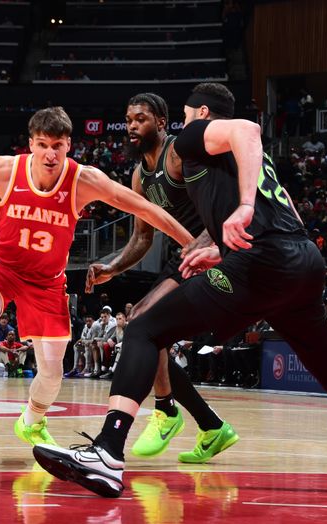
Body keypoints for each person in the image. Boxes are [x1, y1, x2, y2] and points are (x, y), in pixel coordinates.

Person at [32, 83, 327, 498]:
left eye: (183, 115)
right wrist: (218, 246)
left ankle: (108, 452)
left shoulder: (198, 136)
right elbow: (275, 213)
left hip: (260, 268)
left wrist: (246, 208)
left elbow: (247, 131)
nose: (181, 124)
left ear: (200, 114)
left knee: (144, 328)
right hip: (301, 264)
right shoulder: (250, 163)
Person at [0, 106, 193, 447]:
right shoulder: (5, 169)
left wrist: (193, 244)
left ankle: (32, 422)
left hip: (46, 281)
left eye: (58, 145)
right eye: (42, 144)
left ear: (69, 145)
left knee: (53, 370)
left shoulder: (85, 180)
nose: (50, 154)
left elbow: (146, 209)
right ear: (31, 144)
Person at [86, 92, 238, 460]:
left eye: (140, 118)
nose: (132, 125)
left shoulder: (178, 153)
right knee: (148, 333)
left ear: (161, 121)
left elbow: (224, 204)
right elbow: (142, 236)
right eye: (128, 119)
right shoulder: (140, 174)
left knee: (143, 325)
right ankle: (210, 426)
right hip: (184, 258)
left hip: (212, 251)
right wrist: (113, 267)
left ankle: (167, 410)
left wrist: (206, 246)